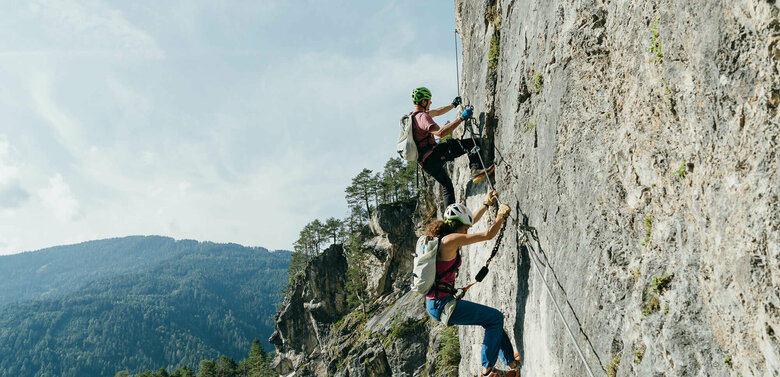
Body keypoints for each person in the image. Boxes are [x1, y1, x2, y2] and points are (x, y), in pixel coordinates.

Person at [424, 191, 520, 377]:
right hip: (442, 303)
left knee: (491, 320)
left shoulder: (444, 237)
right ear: (456, 225)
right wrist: (501, 216)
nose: (467, 231)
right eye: (465, 228)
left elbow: (470, 222)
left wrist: (486, 204)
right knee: (494, 319)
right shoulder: (450, 241)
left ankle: (511, 363)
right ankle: (488, 371)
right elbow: (487, 234)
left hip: (436, 303)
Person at [410, 87, 495, 207]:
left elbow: (438, 111)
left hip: (426, 164)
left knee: (447, 187)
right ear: (423, 102)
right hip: (433, 156)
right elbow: (440, 133)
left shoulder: (415, 117)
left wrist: (453, 105)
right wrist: (461, 118)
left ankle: (449, 219)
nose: (431, 102)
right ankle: (476, 169)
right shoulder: (423, 117)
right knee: (472, 143)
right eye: (429, 100)